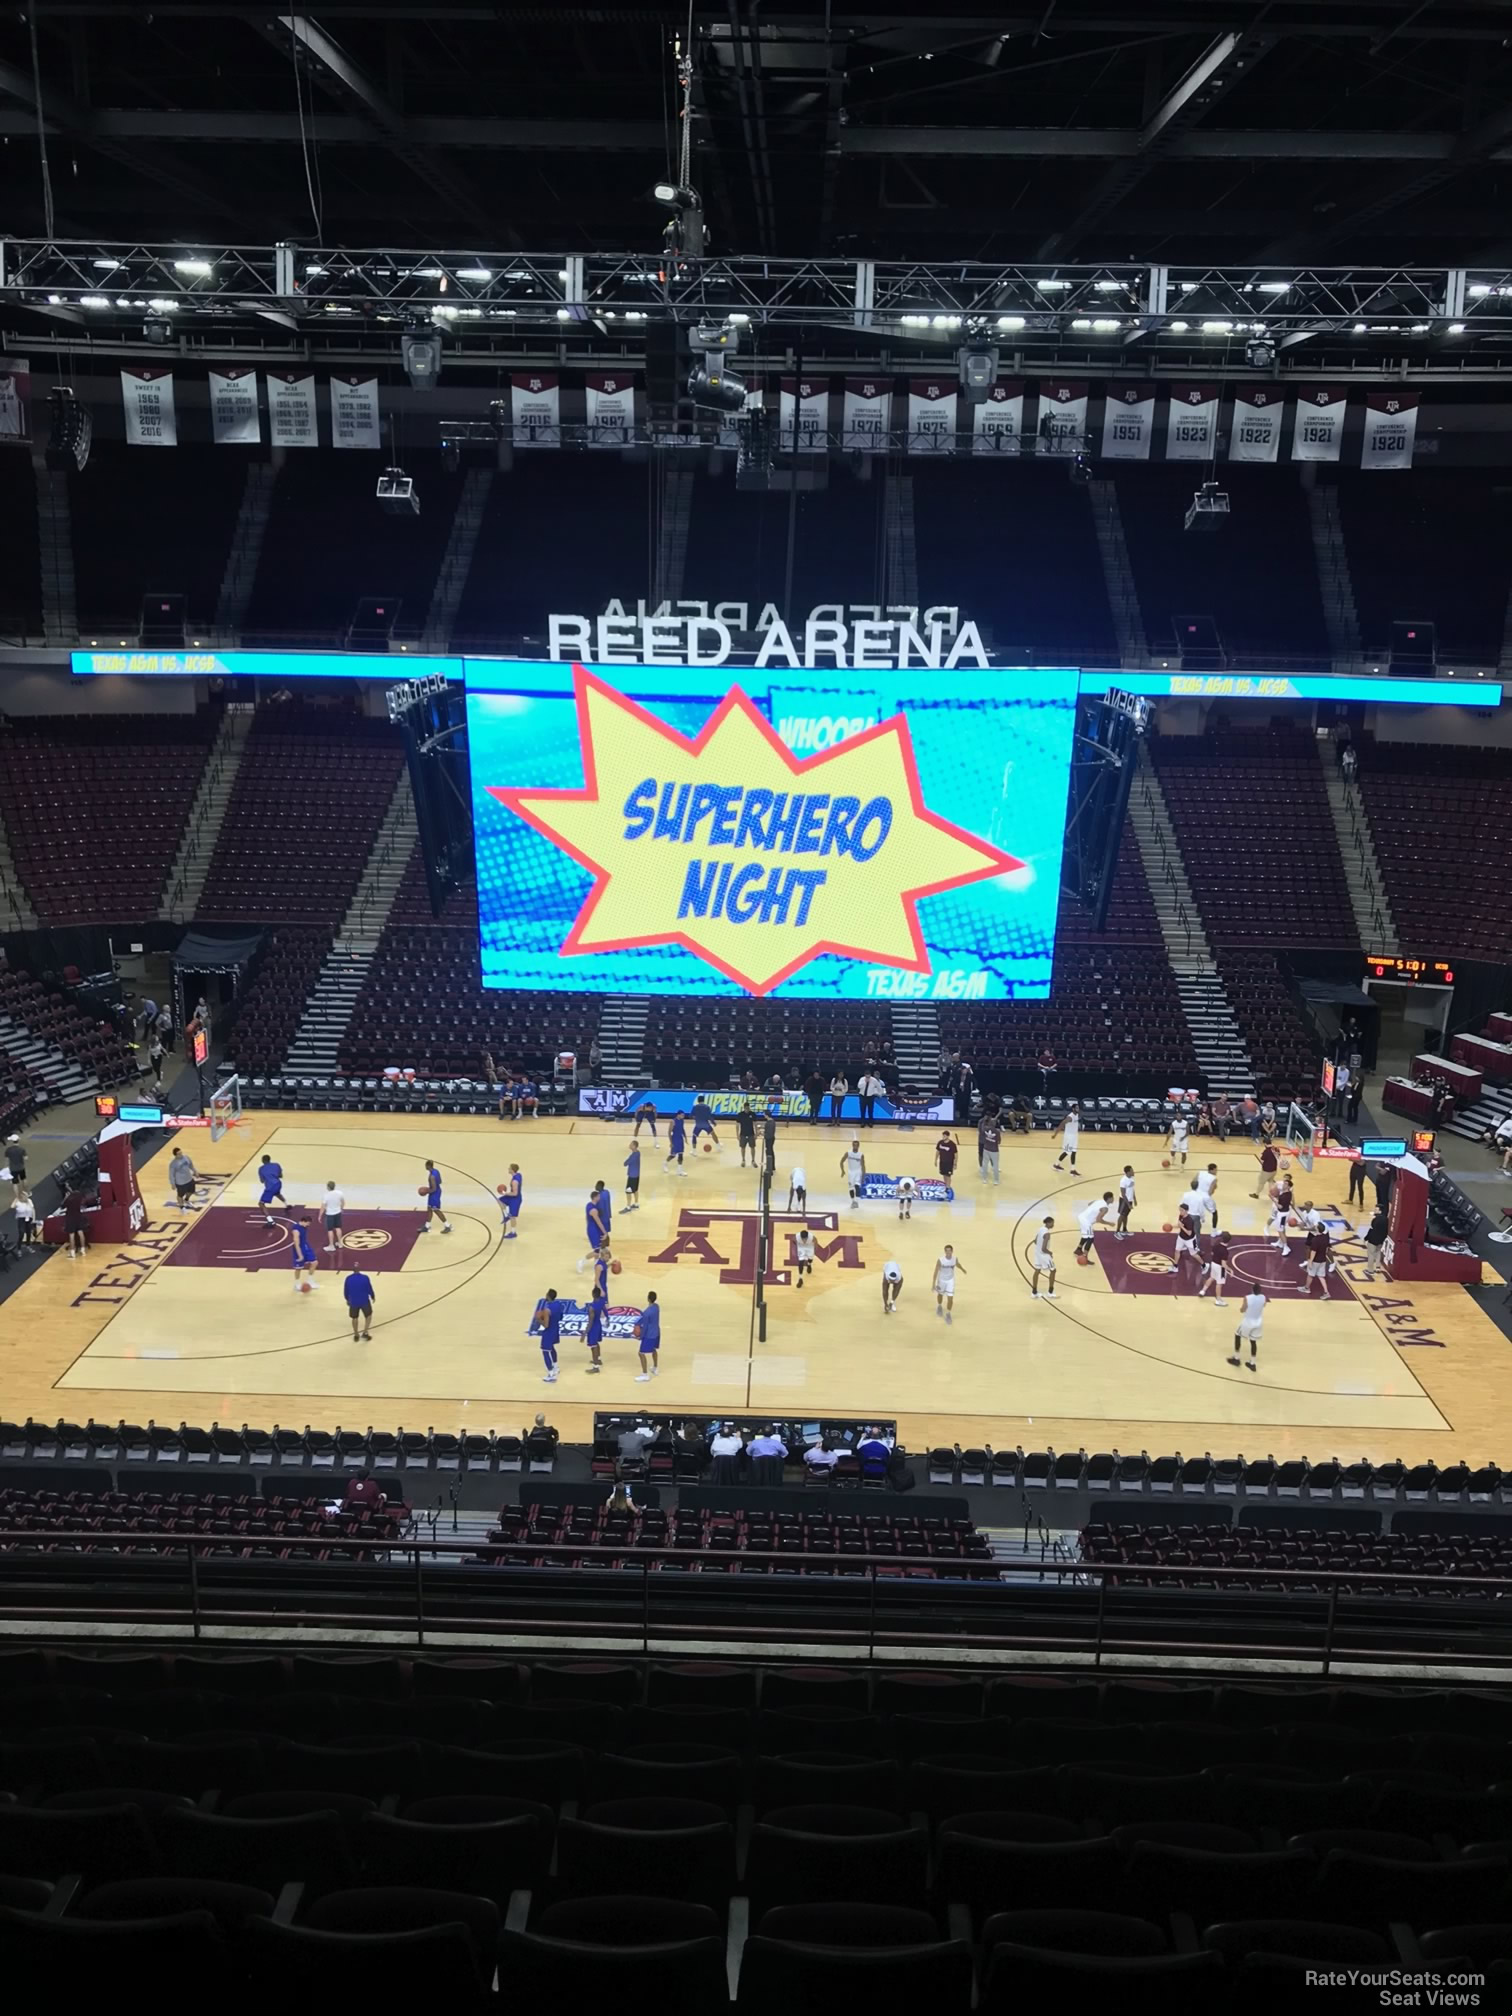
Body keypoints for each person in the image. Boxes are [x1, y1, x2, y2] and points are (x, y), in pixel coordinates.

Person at [1229, 1285, 1265, 1372]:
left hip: (1248, 1322)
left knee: (1237, 1335)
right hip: (1258, 1322)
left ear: (1252, 1290)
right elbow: (1263, 1306)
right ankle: (1252, 1363)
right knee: (1253, 1341)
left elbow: (1242, 1309)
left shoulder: (1247, 1298)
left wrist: (1242, 1309)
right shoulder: (1263, 1297)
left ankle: (1236, 1358)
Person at [532, 1288, 562, 1383]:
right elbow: (561, 1317)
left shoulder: (547, 1310)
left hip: (549, 1331)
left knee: (545, 1351)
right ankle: (556, 1367)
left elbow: (546, 1325)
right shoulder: (559, 1305)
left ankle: (551, 1374)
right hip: (556, 1328)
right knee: (552, 1348)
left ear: (548, 1296)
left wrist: (538, 1319)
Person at [1075, 1192, 1114, 1264]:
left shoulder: (1099, 1201)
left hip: (1082, 1217)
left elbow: (1089, 1204)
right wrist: (1109, 1223)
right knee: (1091, 1238)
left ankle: (1078, 1249)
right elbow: (1098, 1219)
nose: (1113, 1199)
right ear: (1109, 1199)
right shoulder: (1105, 1208)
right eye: (1112, 1197)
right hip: (1087, 1222)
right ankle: (1085, 1257)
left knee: (1086, 1236)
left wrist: (1093, 1210)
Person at [580, 1185, 609, 1274]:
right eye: (599, 1196)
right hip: (594, 1230)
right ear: (595, 1197)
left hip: (593, 1228)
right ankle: (581, 1262)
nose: (600, 1197)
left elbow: (586, 1218)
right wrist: (605, 1232)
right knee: (596, 1251)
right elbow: (598, 1222)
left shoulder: (589, 1205)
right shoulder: (594, 1210)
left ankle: (596, 1265)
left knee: (598, 1249)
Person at [932, 1243, 964, 1324]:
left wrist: (963, 1269)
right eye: (947, 1251)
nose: (948, 1252)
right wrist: (933, 1284)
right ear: (945, 1252)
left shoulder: (954, 1259)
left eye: (950, 1251)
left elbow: (957, 1264)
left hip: (950, 1280)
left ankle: (948, 1313)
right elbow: (936, 1271)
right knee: (940, 1295)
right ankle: (939, 1306)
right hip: (941, 1280)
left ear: (952, 1251)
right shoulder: (941, 1260)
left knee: (950, 1298)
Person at [1198, 1228, 1231, 1307]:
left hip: (1213, 1263)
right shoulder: (1225, 1251)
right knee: (1219, 1283)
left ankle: (1202, 1291)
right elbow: (1223, 1264)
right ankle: (1218, 1300)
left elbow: (1212, 1253)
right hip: (1220, 1267)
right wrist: (1230, 1270)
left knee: (1211, 1277)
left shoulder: (1216, 1245)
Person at [633, 1289, 661, 1381]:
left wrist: (640, 1336)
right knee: (653, 1349)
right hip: (657, 1332)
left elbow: (644, 1327)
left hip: (649, 1335)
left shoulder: (647, 1312)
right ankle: (655, 1368)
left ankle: (645, 1374)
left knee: (641, 1353)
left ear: (648, 1299)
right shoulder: (657, 1307)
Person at [1268, 1169, 1296, 1258]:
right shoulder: (1287, 1193)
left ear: (1288, 1186)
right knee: (1282, 1229)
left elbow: (1279, 1206)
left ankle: (1286, 1247)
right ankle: (1280, 1242)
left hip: (1283, 1214)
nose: (1283, 1184)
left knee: (1280, 1230)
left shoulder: (1285, 1196)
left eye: (1285, 1184)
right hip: (1284, 1213)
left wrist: (1272, 1198)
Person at [1170, 1200, 1200, 1279]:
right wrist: (1172, 1227)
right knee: (1177, 1251)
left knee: (1193, 1254)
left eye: (1182, 1210)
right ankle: (1175, 1266)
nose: (1180, 1211)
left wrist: (1182, 1227)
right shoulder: (1181, 1216)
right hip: (1181, 1237)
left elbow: (1189, 1233)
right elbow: (1180, 1225)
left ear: (1186, 1211)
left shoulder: (1190, 1220)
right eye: (1179, 1210)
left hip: (1190, 1239)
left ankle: (1204, 1265)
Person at [343, 1263, 375, 1339]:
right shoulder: (365, 1278)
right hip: (364, 1300)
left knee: (354, 1318)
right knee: (368, 1315)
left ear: (352, 1270)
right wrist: (373, 1296)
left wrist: (347, 1299)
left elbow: (346, 1290)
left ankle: (356, 1334)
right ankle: (365, 1332)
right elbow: (369, 1288)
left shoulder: (348, 1278)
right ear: (360, 1269)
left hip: (353, 1301)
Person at [1304, 1218, 1334, 1298]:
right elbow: (1327, 1249)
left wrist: (1310, 1261)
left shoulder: (1315, 1240)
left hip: (1316, 1261)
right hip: (1323, 1260)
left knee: (1310, 1275)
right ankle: (1326, 1292)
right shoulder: (1325, 1238)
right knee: (1321, 1276)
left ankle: (1306, 1288)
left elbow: (1313, 1252)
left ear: (1317, 1229)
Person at [1030, 1216, 1057, 1300]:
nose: (1053, 1224)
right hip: (1043, 1255)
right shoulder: (1047, 1234)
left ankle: (1034, 1292)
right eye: (1052, 1223)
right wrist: (1050, 1252)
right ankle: (1050, 1292)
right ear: (1048, 1223)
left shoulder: (1041, 1229)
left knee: (1037, 1271)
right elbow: (1044, 1248)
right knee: (1053, 1270)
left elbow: (1035, 1241)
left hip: (1037, 1253)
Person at [290, 1212, 318, 1291]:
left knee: (314, 1262)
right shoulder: (296, 1230)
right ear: (303, 1221)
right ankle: (297, 1284)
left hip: (306, 1246)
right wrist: (300, 1255)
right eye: (307, 1223)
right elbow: (296, 1243)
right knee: (298, 1268)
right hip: (298, 1248)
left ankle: (310, 1280)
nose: (308, 1225)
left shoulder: (304, 1227)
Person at [421, 1158, 450, 1234]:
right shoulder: (436, 1171)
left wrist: (426, 1191)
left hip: (434, 1193)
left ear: (428, 1166)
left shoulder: (432, 1177)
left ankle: (448, 1226)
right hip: (437, 1191)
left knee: (436, 1210)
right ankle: (427, 1226)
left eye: (426, 1165)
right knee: (429, 1208)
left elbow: (433, 1188)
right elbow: (440, 1182)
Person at [1361, 1204, 1390, 1280]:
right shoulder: (1386, 1219)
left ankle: (1370, 1270)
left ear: (1380, 1211)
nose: (1375, 1210)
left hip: (1373, 1240)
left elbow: (1371, 1231)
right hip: (1381, 1240)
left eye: (1376, 1209)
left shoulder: (1375, 1220)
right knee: (1378, 1253)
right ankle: (1378, 1267)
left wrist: (1366, 1238)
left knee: (1371, 1255)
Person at [256, 1153, 286, 1223]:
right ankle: (287, 1205)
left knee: (261, 1203)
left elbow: (262, 1181)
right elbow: (281, 1176)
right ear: (270, 1159)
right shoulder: (276, 1165)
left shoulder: (261, 1169)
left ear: (262, 1161)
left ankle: (270, 1220)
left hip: (270, 1187)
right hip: (278, 1184)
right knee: (277, 1193)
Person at [583, 1286, 606, 1374]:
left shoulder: (591, 1308)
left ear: (593, 1294)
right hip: (598, 1325)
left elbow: (590, 1322)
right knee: (596, 1344)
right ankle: (598, 1359)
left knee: (593, 1346)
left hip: (593, 1328)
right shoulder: (601, 1302)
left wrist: (584, 1333)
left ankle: (595, 1367)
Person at [63, 1184, 88, 1258]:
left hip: (70, 1218)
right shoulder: (79, 1195)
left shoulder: (69, 1198)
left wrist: (66, 1197)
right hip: (78, 1216)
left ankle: (72, 1253)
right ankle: (83, 1251)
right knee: (81, 1233)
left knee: (71, 1235)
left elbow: (63, 1205)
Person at [1052, 1104, 1080, 1172]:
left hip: (1074, 1136)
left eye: (1078, 1108)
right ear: (1073, 1109)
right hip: (1069, 1137)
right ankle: (1056, 1164)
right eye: (1076, 1108)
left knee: (1074, 1152)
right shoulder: (1070, 1117)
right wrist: (1055, 1134)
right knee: (1067, 1152)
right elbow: (1062, 1124)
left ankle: (1073, 1170)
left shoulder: (1077, 1115)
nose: (1078, 1109)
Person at [168, 1146, 197, 1211]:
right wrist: (172, 1184)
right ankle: (181, 1207)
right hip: (180, 1182)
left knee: (192, 1191)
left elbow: (191, 1165)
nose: (181, 1155)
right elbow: (171, 1175)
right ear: (175, 1155)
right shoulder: (173, 1164)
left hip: (189, 1179)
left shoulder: (186, 1157)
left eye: (181, 1153)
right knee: (180, 1195)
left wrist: (195, 1171)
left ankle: (186, 1200)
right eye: (179, 1154)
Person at [321, 1179, 346, 1252]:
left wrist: (320, 1215)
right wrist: (341, 1209)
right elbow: (343, 1202)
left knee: (330, 1230)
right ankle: (340, 1243)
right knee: (338, 1228)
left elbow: (323, 1206)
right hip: (337, 1213)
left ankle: (331, 1246)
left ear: (328, 1187)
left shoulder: (326, 1196)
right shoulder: (340, 1193)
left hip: (330, 1214)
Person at [978, 1109, 1001, 1186]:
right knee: (995, 1165)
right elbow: (999, 1141)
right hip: (993, 1149)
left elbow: (982, 1131)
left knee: (986, 1164)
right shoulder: (997, 1131)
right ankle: (996, 1181)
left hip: (986, 1147)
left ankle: (984, 1179)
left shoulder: (985, 1129)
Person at [618, 1138, 642, 1214]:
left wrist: (626, 1162)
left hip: (632, 1176)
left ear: (634, 1146)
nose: (629, 1145)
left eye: (631, 1144)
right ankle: (636, 1204)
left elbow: (625, 1163)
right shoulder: (638, 1153)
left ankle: (628, 1207)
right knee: (635, 1190)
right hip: (637, 1175)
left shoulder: (633, 1156)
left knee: (628, 1191)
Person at [500, 1163, 523, 1237]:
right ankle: (506, 1215)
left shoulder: (514, 1181)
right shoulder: (518, 1175)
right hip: (512, 1197)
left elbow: (515, 1194)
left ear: (512, 1170)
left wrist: (505, 1193)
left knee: (512, 1217)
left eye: (509, 1168)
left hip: (515, 1199)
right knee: (500, 1200)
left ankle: (513, 1233)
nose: (508, 1169)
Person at [11, 1180, 35, 1249]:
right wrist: (16, 1199)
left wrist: (33, 1219)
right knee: (21, 1233)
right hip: (21, 1219)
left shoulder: (29, 1201)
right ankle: (19, 1247)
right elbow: (12, 1206)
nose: (25, 1198)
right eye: (23, 1196)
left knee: (28, 1233)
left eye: (25, 1196)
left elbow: (33, 1210)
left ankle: (28, 1245)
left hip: (29, 1218)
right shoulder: (18, 1202)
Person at [1196, 1162, 1220, 1230]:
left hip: (1196, 1194)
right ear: (1211, 1170)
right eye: (1216, 1170)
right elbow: (1210, 1192)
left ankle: (1201, 1218)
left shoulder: (1200, 1173)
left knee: (1196, 1209)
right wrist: (1214, 1188)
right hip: (1205, 1196)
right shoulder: (1214, 1178)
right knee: (1214, 1212)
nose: (1216, 1171)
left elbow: (1193, 1182)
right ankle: (1214, 1231)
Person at [1115, 1165, 1137, 1240]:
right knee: (1122, 1215)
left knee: (1126, 1215)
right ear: (1128, 1172)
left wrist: (1135, 1199)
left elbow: (1132, 1189)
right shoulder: (1123, 1181)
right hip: (1124, 1201)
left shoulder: (1131, 1178)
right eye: (1132, 1171)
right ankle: (1117, 1232)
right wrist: (1128, 1204)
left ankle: (1124, 1230)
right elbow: (1123, 1194)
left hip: (1130, 1200)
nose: (1133, 1172)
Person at [842, 1137, 865, 1204]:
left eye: (856, 1145)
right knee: (851, 1188)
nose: (855, 1146)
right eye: (854, 1145)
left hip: (858, 1172)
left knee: (857, 1186)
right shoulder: (848, 1153)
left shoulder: (861, 1155)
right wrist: (842, 1170)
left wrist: (863, 1175)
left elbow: (863, 1166)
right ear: (852, 1145)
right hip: (850, 1172)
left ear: (858, 1146)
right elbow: (841, 1162)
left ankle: (856, 1202)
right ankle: (852, 1201)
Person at [793, 1221, 815, 1286]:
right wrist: (797, 1246)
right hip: (801, 1247)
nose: (804, 1240)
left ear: (807, 1237)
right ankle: (800, 1279)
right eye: (803, 1239)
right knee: (801, 1262)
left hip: (810, 1247)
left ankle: (809, 1264)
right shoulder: (797, 1236)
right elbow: (793, 1240)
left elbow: (816, 1241)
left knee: (810, 1258)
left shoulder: (811, 1237)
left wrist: (815, 1249)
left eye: (805, 1239)